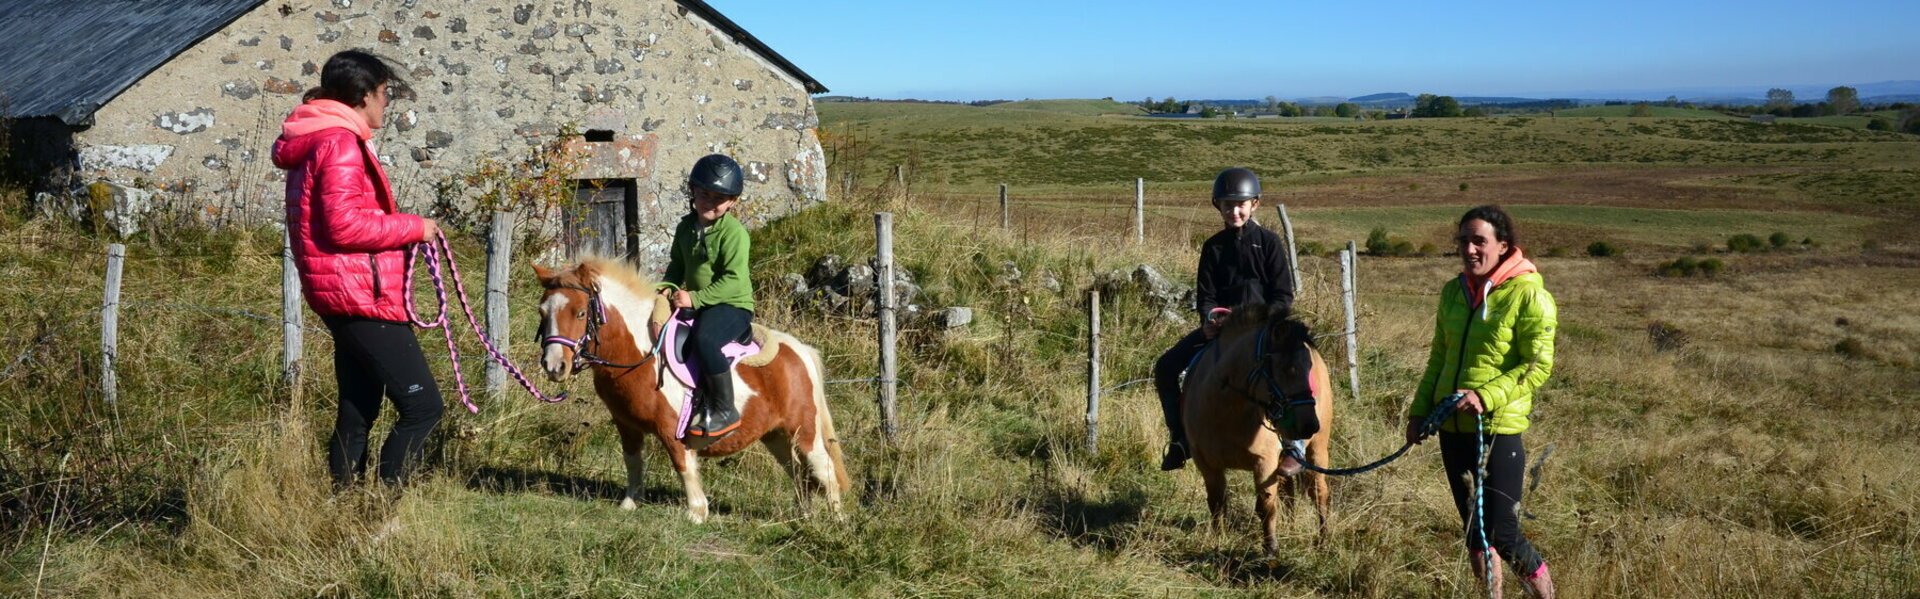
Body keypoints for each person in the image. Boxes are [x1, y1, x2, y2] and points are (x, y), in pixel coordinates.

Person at [271, 50, 443, 487]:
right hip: (360, 295)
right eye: (384, 94)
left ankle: (345, 507)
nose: (386, 104)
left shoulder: (319, 137)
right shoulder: (339, 142)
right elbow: (345, 224)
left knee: (359, 409)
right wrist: (415, 227)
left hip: (341, 291)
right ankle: (384, 513)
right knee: (423, 407)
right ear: (364, 95)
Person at [1405, 205, 1557, 598]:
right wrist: (1420, 411)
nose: (1470, 249)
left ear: (1503, 246)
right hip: (1450, 428)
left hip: (1496, 430)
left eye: (1480, 241)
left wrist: (1486, 396)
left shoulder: (1528, 295)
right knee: (1474, 528)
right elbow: (1438, 358)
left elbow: (1536, 366)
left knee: (1503, 532)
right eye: (1464, 240)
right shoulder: (1452, 292)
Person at [1154, 167, 1297, 472]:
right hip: (1222, 333)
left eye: (1241, 204)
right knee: (1165, 367)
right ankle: (1181, 438)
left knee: (1294, 372)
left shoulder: (1270, 243)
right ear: (1217, 206)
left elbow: (1283, 296)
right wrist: (1208, 319)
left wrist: (1262, 321)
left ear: (1254, 204)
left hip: (1264, 331)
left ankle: (1293, 446)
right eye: (1227, 205)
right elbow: (1206, 295)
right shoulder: (1213, 247)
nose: (1234, 211)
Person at [662, 154, 755, 446]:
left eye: (719, 198)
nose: (710, 202)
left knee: (704, 340)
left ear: (733, 202)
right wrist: (666, 287)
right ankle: (692, 405)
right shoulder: (685, 228)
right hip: (700, 303)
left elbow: (734, 281)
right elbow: (677, 265)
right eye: (704, 193)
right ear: (693, 190)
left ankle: (726, 411)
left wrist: (695, 297)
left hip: (732, 306)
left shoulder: (734, 233)